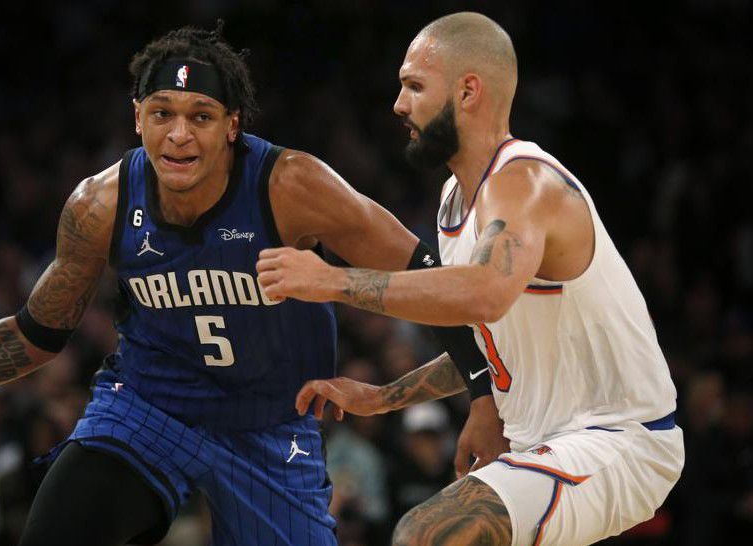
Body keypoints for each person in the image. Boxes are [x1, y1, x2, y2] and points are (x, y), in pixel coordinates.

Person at [0, 24, 505, 546]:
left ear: (231, 127)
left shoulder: (294, 187)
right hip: (147, 412)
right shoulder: (99, 205)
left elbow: (428, 279)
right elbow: (37, 333)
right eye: (161, 112)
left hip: (268, 427)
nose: (178, 134)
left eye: (200, 117)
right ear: (136, 117)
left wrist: (481, 398)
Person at [257, 12, 684, 546]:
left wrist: (333, 281)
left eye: (414, 86)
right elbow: (495, 338)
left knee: (426, 534)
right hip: (546, 441)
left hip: (622, 440)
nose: (399, 104)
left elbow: (483, 293)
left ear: (468, 91)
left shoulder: (526, 183)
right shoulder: (454, 201)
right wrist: (384, 397)